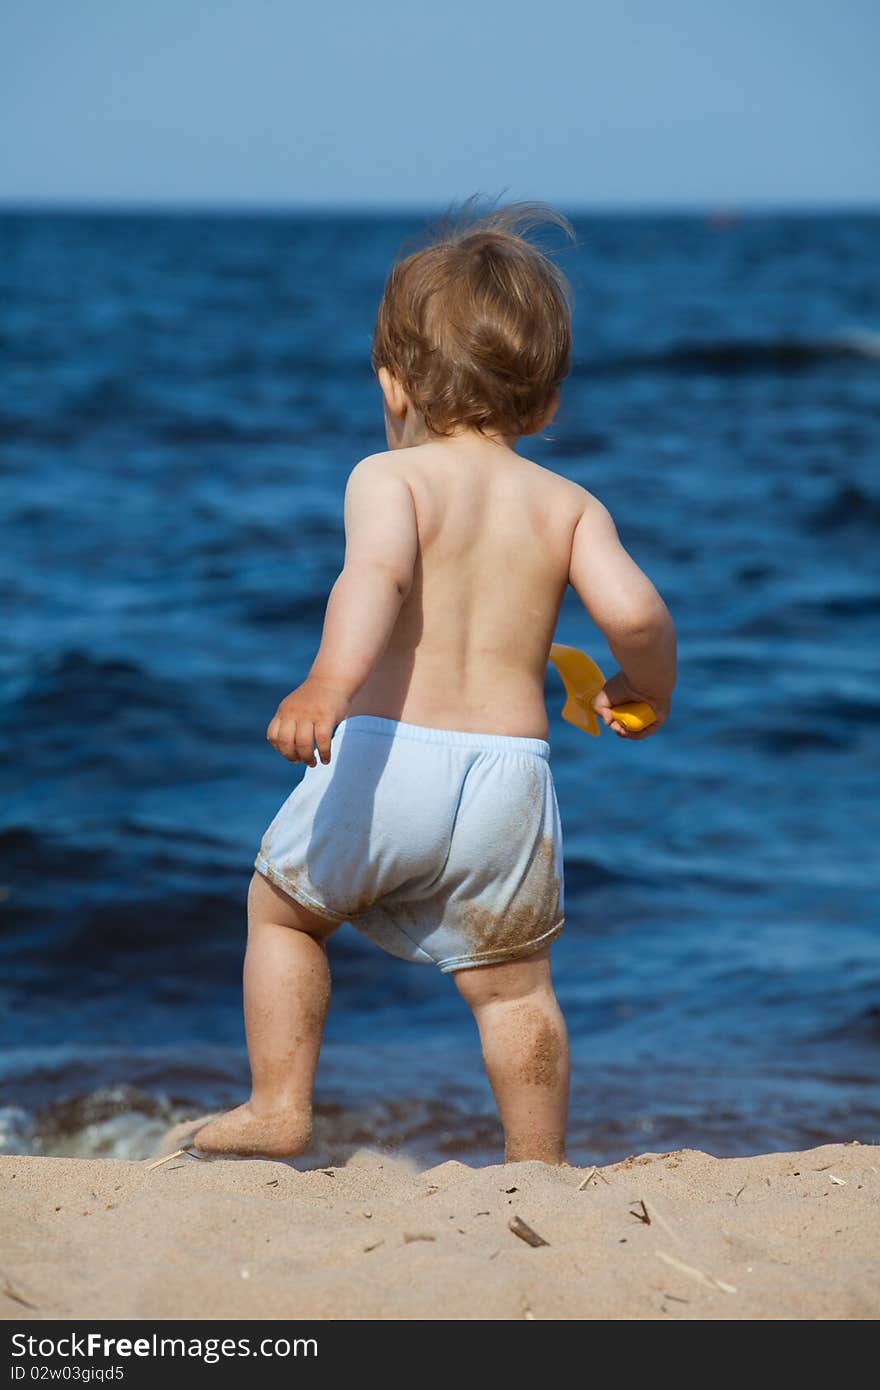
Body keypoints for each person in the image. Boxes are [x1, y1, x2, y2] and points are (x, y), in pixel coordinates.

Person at [195, 204, 676, 1165]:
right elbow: (635, 615)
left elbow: (375, 578)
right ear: (545, 406)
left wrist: (329, 682)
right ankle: (537, 1164)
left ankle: (279, 1105)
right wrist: (642, 689)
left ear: (396, 381)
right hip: (511, 776)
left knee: (284, 913)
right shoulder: (571, 504)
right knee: (514, 986)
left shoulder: (390, 479)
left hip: (386, 755)